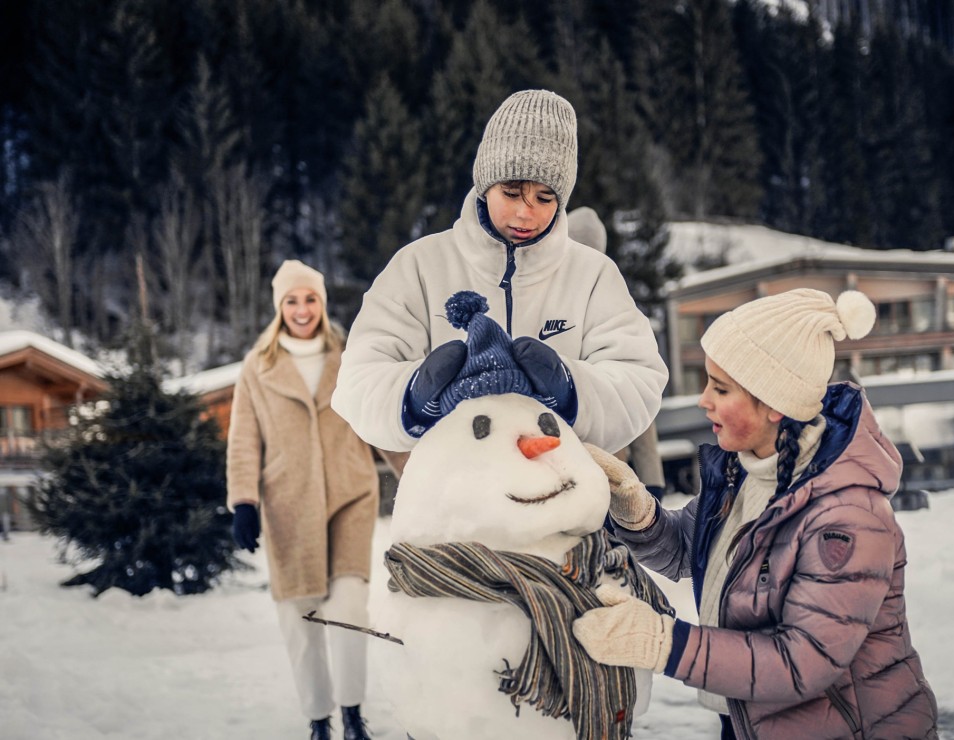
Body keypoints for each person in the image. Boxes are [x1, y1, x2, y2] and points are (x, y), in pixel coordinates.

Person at [572, 289, 938, 739]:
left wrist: (665, 643)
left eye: (720, 388)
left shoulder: (847, 517)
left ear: (774, 404)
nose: (703, 401)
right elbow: (688, 551)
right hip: (752, 723)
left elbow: (802, 661)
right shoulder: (745, 474)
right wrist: (634, 507)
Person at [331, 89, 668, 455]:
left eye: (544, 198)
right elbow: (355, 383)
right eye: (511, 193)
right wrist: (414, 395)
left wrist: (571, 389)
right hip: (450, 502)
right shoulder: (418, 266)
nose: (526, 213)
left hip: (563, 497)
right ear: (485, 185)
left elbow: (641, 381)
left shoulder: (594, 275)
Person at [226, 260, 379, 740]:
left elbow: (380, 419)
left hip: (351, 493)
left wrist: (418, 473)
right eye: (292, 300)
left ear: (322, 302)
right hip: (287, 502)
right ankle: (318, 719)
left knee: (350, 607)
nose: (301, 309)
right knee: (301, 615)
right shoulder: (259, 366)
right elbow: (243, 438)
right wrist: (244, 502)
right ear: (279, 307)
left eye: (310, 298)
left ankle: (353, 714)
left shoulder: (349, 355)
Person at [567, 205, 667, 500]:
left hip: (604, 468)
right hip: (574, 463)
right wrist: (653, 478)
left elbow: (633, 394)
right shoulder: (544, 294)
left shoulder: (609, 302)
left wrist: (652, 479)